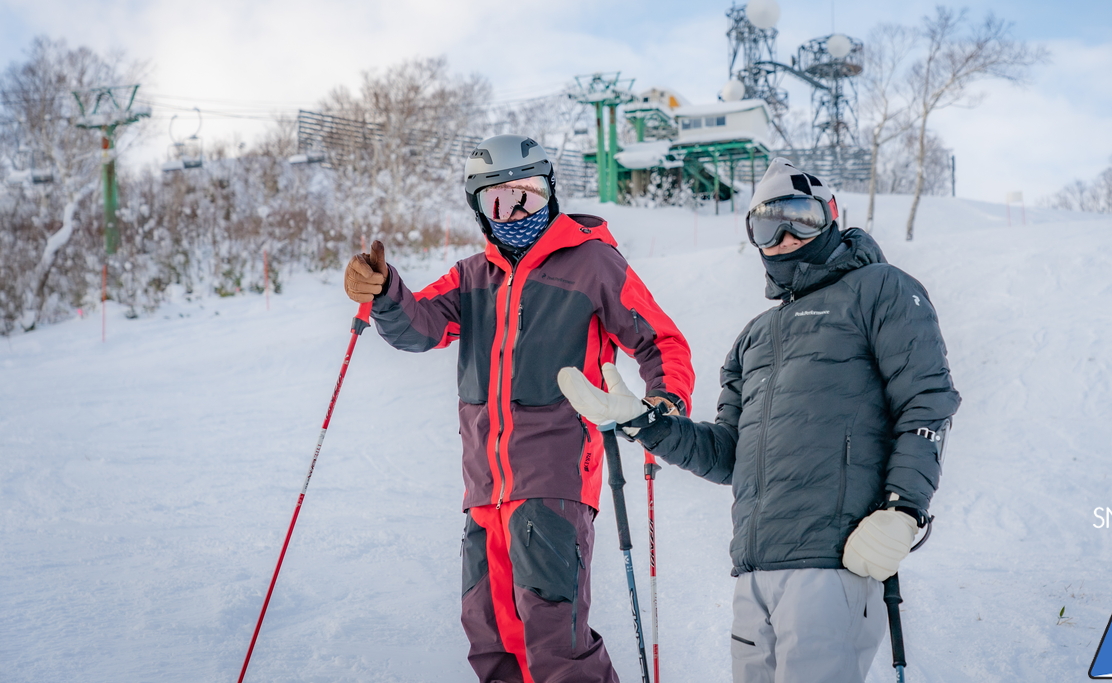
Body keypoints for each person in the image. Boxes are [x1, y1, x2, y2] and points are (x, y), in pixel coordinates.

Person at [558, 158, 961, 683]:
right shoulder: (753, 337)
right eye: (769, 226)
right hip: (754, 572)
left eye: (802, 218)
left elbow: (926, 402)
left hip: (833, 562)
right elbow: (728, 453)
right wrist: (644, 422)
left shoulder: (880, 289)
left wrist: (904, 510)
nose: (787, 237)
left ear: (831, 216)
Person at [343, 134, 694, 683]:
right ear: (479, 210)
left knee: (554, 638)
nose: (517, 212)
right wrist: (385, 291)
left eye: (527, 195)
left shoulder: (592, 263)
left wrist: (664, 399)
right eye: (499, 202)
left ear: (550, 191)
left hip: (554, 478)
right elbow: (420, 326)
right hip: (485, 489)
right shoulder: (471, 277)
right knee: (489, 636)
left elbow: (661, 341)